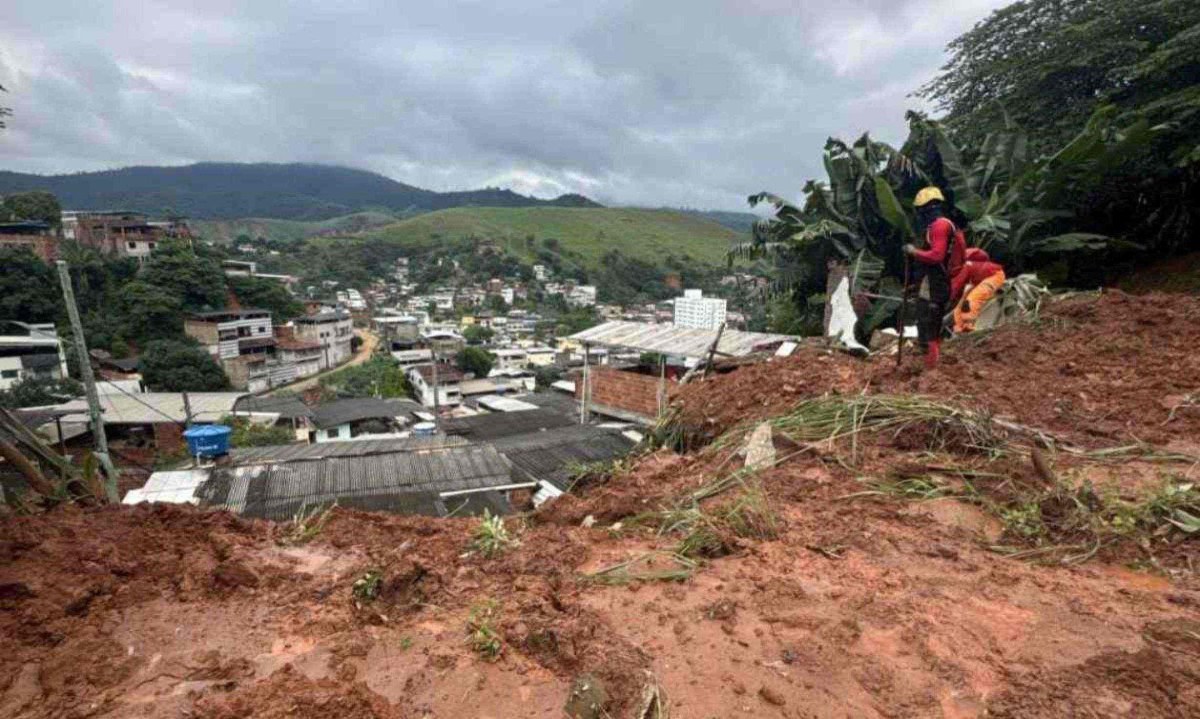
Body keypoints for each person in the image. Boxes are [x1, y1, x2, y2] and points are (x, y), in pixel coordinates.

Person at [903, 186, 966, 370]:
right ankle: (928, 361)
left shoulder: (940, 226)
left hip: (937, 281)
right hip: (934, 280)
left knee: (929, 320)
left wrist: (914, 252)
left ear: (926, 209)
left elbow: (937, 256)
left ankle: (932, 365)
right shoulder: (939, 226)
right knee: (925, 317)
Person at [953, 251, 1006, 333]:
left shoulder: (966, 265)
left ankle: (970, 325)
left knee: (973, 298)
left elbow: (956, 284)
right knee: (959, 307)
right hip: (980, 279)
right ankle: (961, 327)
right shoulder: (964, 262)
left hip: (994, 276)